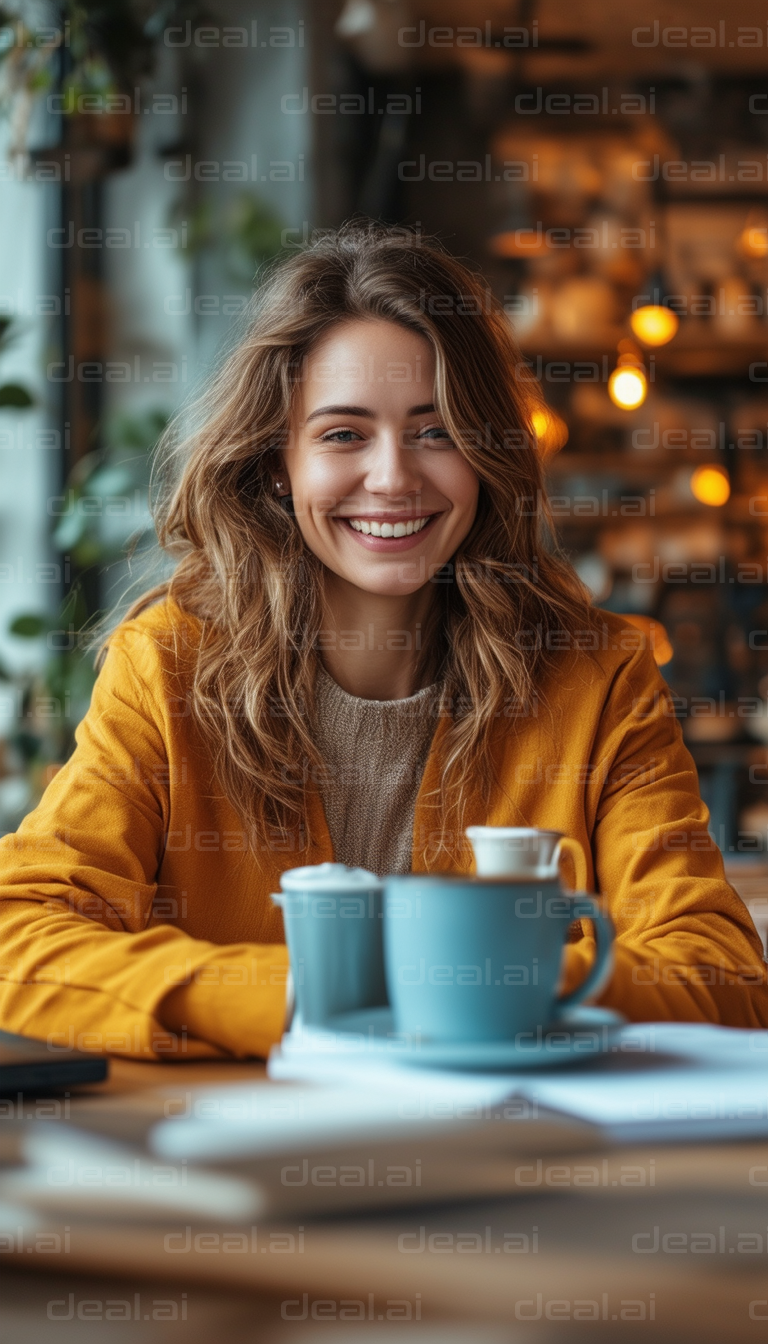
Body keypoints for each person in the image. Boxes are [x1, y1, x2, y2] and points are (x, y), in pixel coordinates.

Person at [0, 224, 766, 1061]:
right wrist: (291, 999)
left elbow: (723, 974)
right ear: (276, 462)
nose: (394, 477)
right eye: (342, 434)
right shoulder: (169, 666)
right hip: (244, 1155)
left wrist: (490, 985)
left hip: (520, 1157)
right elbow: (19, 940)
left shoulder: (598, 676)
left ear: (486, 454)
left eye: (436, 431)